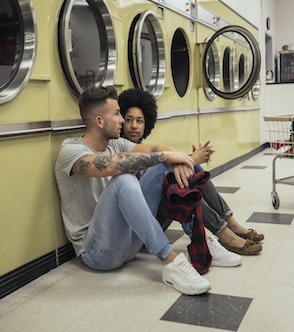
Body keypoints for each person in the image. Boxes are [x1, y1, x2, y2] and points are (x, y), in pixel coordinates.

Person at [55, 86, 210, 295]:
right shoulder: (70, 150)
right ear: (100, 121)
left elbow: (157, 149)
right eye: (117, 114)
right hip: (98, 253)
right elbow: (109, 165)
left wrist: (176, 159)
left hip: (129, 243)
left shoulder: (116, 144)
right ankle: (171, 262)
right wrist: (166, 156)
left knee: (162, 166)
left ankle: (203, 240)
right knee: (124, 180)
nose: (122, 120)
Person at [118, 88, 264, 258]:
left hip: (155, 217)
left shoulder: (143, 148)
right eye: (128, 120)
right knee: (178, 179)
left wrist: (190, 161)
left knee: (191, 169)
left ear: (147, 124)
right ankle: (224, 234)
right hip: (137, 225)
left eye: (140, 121)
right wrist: (191, 159)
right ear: (120, 121)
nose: (134, 125)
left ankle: (230, 223)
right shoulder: (118, 149)